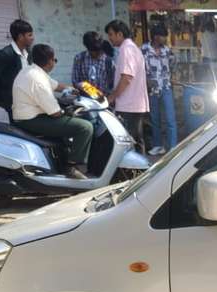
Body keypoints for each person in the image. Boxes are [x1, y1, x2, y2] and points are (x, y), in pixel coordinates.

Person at [12, 44, 94, 180]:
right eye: (54, 60)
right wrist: (69, 111)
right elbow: (55, 113)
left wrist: (74, 89)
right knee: (85, 127)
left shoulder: (33, 71)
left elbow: (56, 85)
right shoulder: (37, 80)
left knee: (71, 125)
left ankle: (63, 160)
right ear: (49, 61)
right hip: (31, 120)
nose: (54, 62)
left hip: (29, 116)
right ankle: (72, 167)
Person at [104, 19, 149, 151]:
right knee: (136, 141)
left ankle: (135, 171)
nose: (110, 38)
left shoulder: (127, 49)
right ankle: (140, 171)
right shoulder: (132, 48)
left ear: (120, 34)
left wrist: (111, 97)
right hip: (134, 103)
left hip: (129, 105)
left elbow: (127, 77)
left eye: (111, 34)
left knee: (128, 143)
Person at [0, 19, 34, 122]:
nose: (32, 38)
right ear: (20, 37)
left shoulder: (28, 53)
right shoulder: (6, 54)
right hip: (15, 104)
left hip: (29, 102)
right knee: (19, 133)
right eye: (29, 35)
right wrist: (4, 100)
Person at [142, 26, 177, 155]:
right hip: (151, 89)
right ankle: (158, 145)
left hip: (166, 87)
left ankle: (173, 146)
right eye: (164, 36)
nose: (166, 38)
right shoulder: (144, 50)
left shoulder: (167, 51)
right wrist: (146, 80)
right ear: (156, 36)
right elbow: (140, 68)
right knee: (154, 118)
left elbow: (173, 64)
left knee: (170, 118)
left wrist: (169, 78)